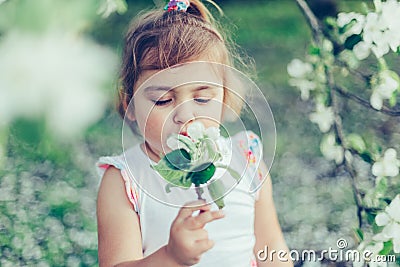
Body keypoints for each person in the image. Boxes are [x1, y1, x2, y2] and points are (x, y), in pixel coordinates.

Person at [96, 0, 293, 266]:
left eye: (201, 99)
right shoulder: (125, 180)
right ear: (128, 102)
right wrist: (171, 256)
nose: (185, 115)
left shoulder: (246, 159)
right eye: (163, 100)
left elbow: (271, 247)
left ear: (224, 96)